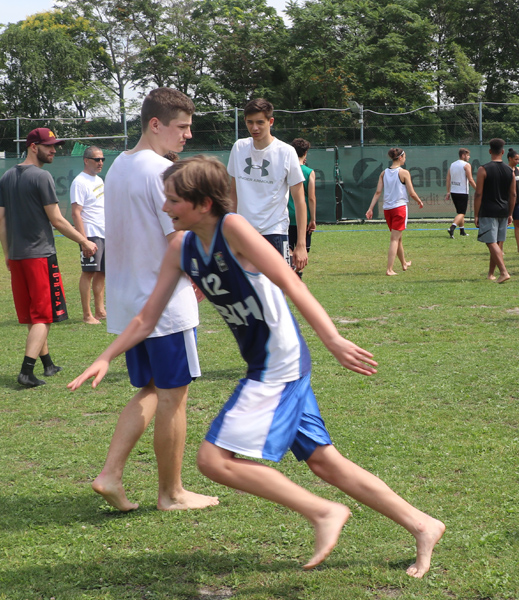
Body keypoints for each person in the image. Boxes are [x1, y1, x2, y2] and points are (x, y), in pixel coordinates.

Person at [68, 155, 445, 577]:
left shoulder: (233, 229)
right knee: (324, 462)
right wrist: (105, 357)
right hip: (265, 362)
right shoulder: (180, 248)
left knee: (213, 461)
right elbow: (146, 318)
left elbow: (288, 281)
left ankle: (323, 512)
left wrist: (333, 339)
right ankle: (422, 524)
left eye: (173, 200)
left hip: (278, 361)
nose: (164, 207)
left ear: (203, 203)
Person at [97, 87, 218, 512]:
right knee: (173, 396)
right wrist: (202, 278)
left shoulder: (118, 166)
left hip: (130, 302)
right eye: (181, 127)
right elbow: (178, 240)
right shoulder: (161, 171)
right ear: (155, 124)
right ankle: (172, 493)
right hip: (163, 305)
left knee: (151, 389)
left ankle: (110, 474)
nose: (187, 135)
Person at [0, 128, 97, 388]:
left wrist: (7, 254)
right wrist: (84, 240)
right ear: (34, 147)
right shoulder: (41, 176)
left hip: (17, 257)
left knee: (33, 315)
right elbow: (57, 220)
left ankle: (48, 363)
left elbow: (2, 220)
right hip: (40, 256)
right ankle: (26, 372)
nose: (54, 150)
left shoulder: (7, 176)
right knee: (43, 316)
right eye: (49, 146)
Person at [227, 98, 307, 273]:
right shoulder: (239, 148)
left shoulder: (286, 152)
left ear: (271, 121)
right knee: (244, 286)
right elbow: (233, 193)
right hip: (243, 232)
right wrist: (229, 231)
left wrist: (301, 244)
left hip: (274, 232)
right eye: (250, 122)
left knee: (278, 286)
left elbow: (300, 201)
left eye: (260, 122)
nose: (254, 128)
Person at [365, 148, 425, 276]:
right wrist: (419, 201)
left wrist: (370, 208)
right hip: (399, 208)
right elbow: (411, 192)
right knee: (394, 239)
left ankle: (404, 263)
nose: (405, 159)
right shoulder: (404, 172)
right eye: (405, 157)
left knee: (398, 238)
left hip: (388, 209)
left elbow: (378, 192)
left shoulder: (384, 173)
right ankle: (389, 269)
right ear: (400, 157)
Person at [69, 146, 107, 324]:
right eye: (96, 159)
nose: (100, 163)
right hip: (90, 234)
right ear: (86, 160)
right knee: (88, 273)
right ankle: (87, 315)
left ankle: (100, 311)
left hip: (104, 232)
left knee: (102, 272)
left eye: (102, 159)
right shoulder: (79, 182)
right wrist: (84, 241)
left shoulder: (99, 180)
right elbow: (76, 213)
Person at [473, 138, 516, 283]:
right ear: (503, 152)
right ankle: (491, 274)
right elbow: (513, 194)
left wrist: (476, 214)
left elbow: (478, 193)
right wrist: (510, 213)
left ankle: (503, 272)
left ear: (490, 151)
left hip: (488, 211)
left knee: (490, 242)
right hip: (503, 210)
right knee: (497, 243)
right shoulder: (510, 170)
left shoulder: (483, 169)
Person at [290, 138, 316, 279]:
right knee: (302, 250)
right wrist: (313, 219)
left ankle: (289, 272)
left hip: (286, 216)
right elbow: (311, 198)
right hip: (302, 217)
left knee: (287, 249)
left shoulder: (287, 169)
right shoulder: (309, 172)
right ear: (305, 153)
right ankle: (296, 276)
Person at [445, 148, 475, 238]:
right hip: (462, 192)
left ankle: (462, 231)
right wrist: (478, 189)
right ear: (463, 155)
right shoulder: (466, 165)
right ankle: (452, 228)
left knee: (460, 212)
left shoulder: (452, 164)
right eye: (468, 155)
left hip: (454, 192)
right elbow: (470, 179)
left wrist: (448, 191)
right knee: (462, 213)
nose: (469, 157)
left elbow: (448, 179)